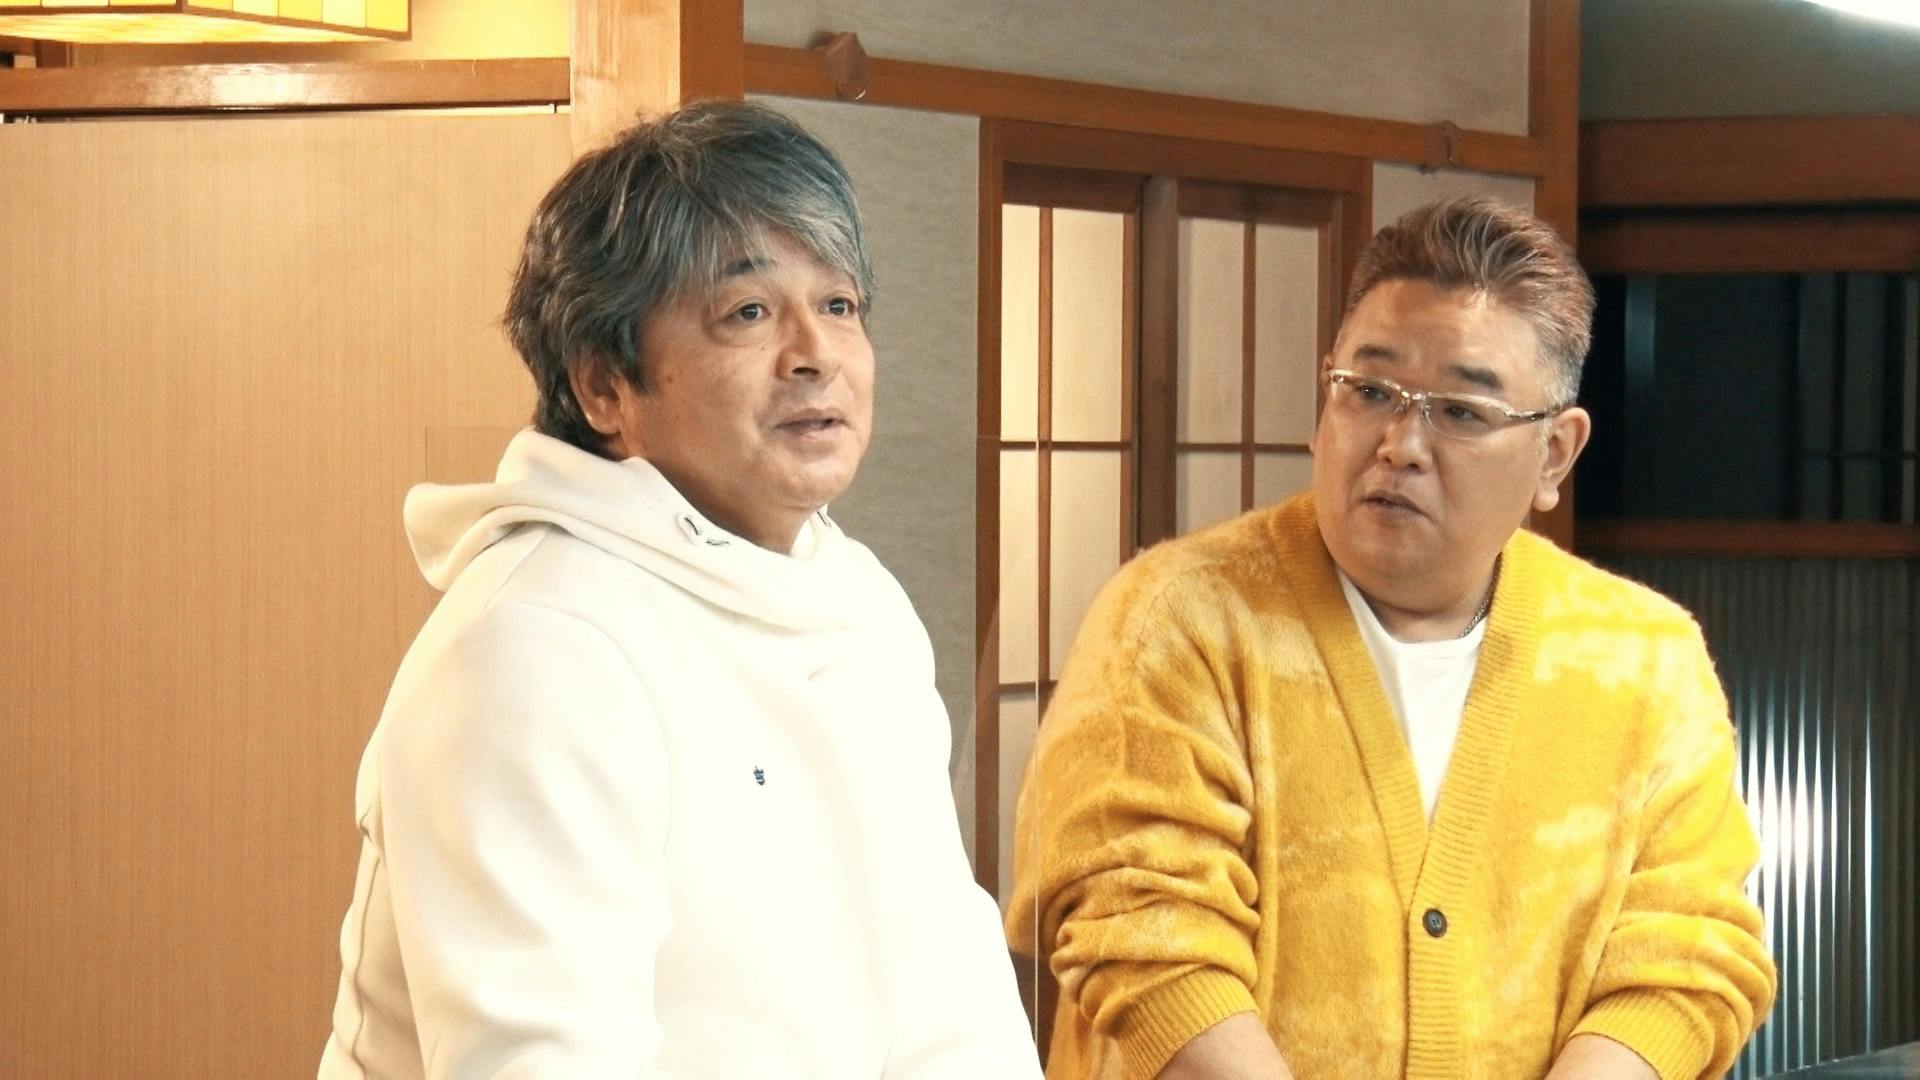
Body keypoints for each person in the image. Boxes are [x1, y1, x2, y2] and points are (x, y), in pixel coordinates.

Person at [319, 100, 1040, 1078]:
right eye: (748, 313)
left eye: (839, 305)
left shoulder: (861, 601)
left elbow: (949, 984)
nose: (816, 353)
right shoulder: (535, 645)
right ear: (604, 386)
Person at [1005, 198, 1776, 1080]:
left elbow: (1687, 950)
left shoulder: (1646, 658)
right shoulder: (1176, 617)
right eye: (1370, 393)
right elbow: (1142, 928)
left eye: (1462, 411)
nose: (1401, 444)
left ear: (1555, 455)